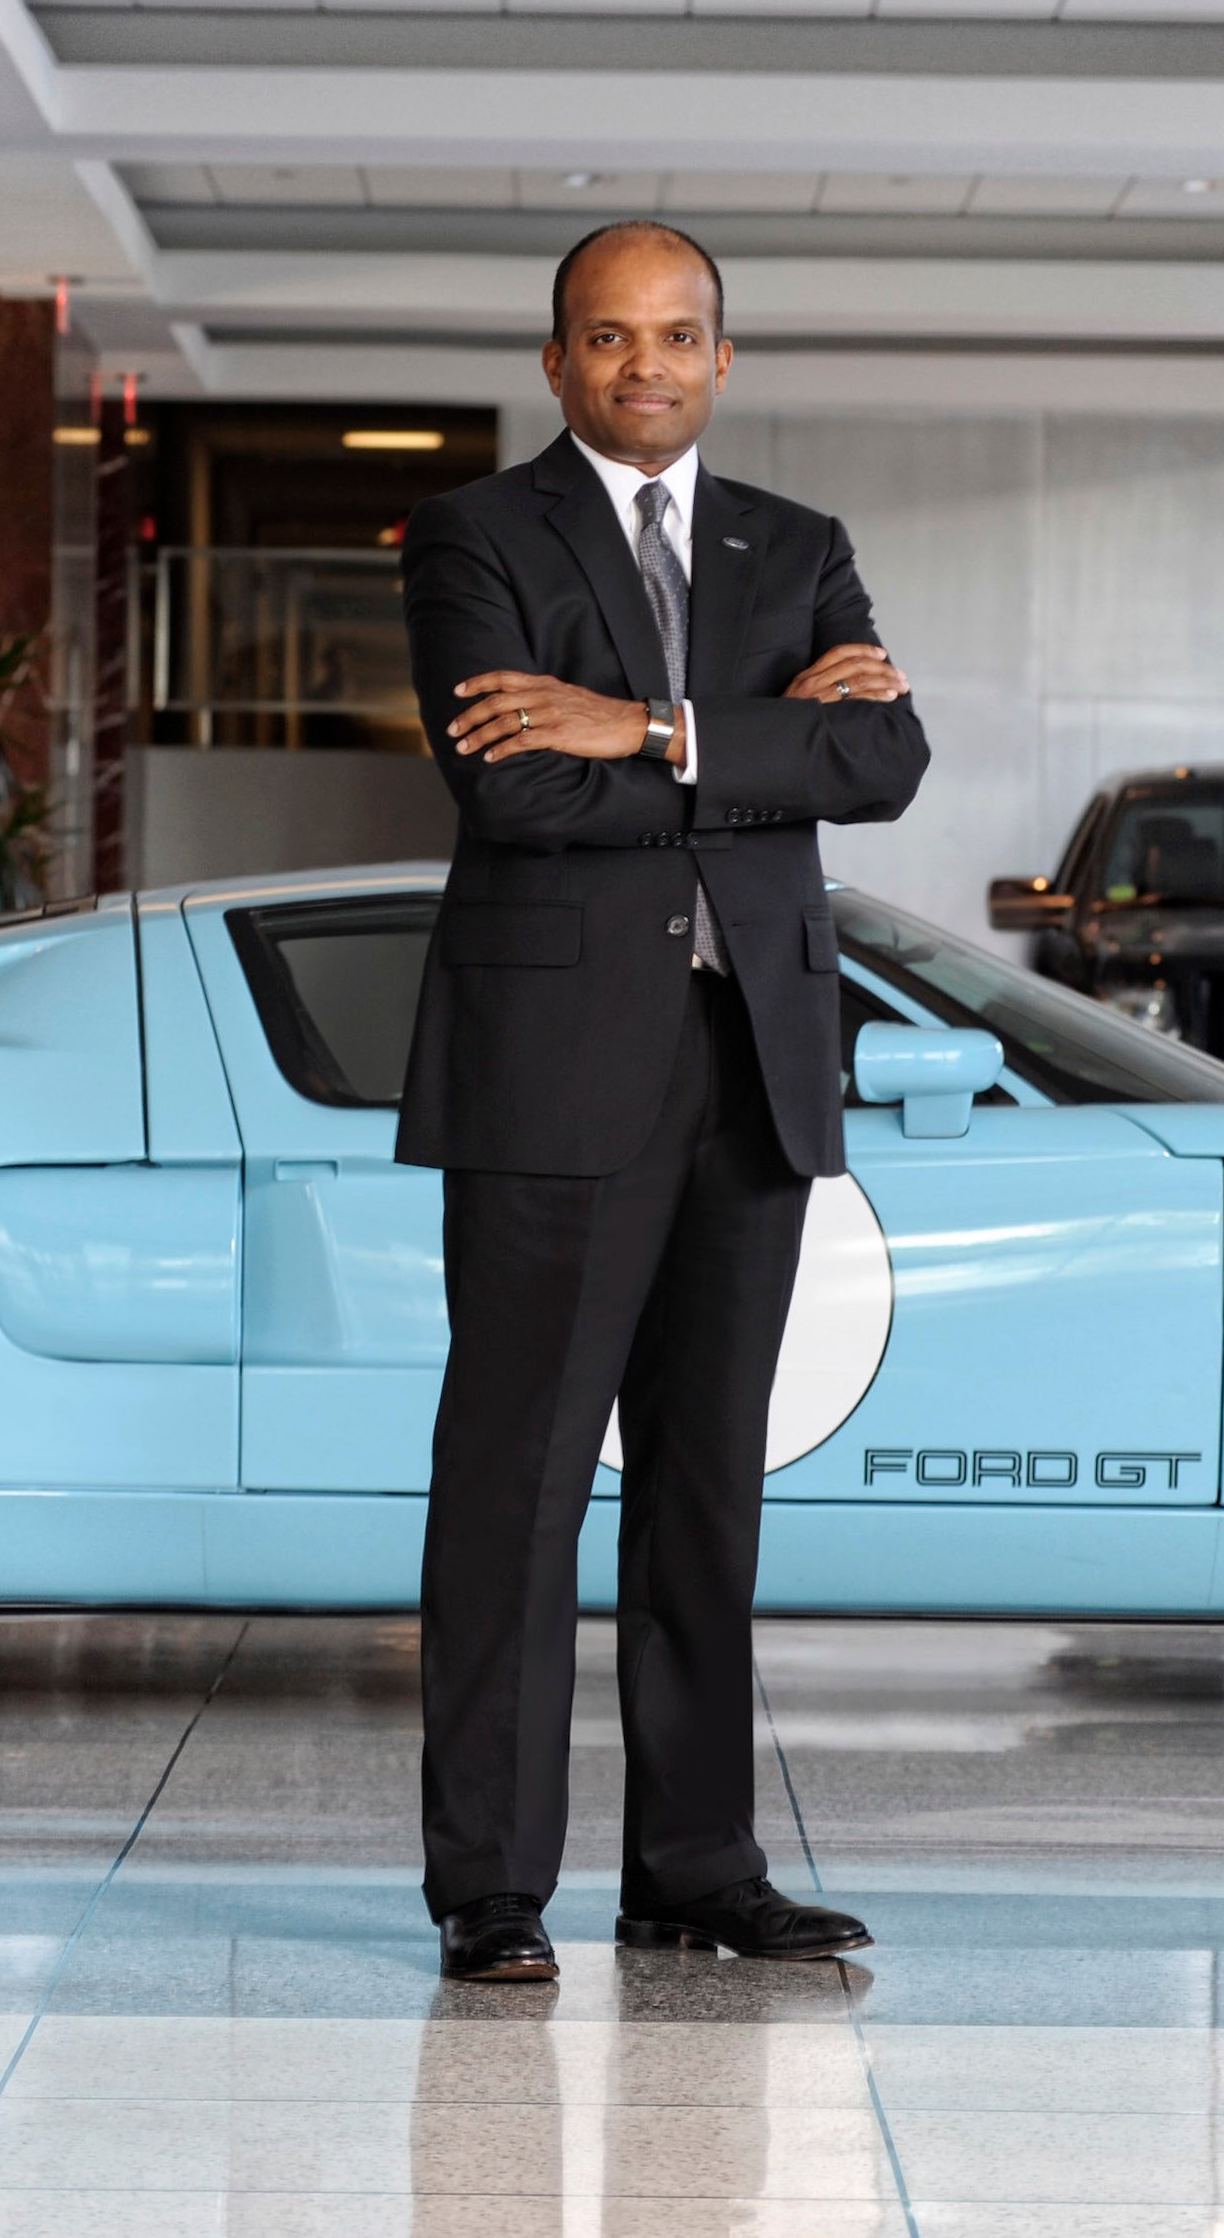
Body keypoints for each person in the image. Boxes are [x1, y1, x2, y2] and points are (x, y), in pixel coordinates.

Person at [397, 220, 930, 1983]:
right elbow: (512, 793)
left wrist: (641, 727)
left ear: (724, 356)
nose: (648, 365)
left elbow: (886, 761)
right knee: (519, 1482)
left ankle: (695, 1868)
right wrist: (764, 742)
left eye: (679, 335)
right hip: (552, 1073)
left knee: (708, 1488)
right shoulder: (476, 534)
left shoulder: (801, 544)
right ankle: (491, 1887)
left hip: (753, 1063)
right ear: (555, 360)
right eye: (611, 336)